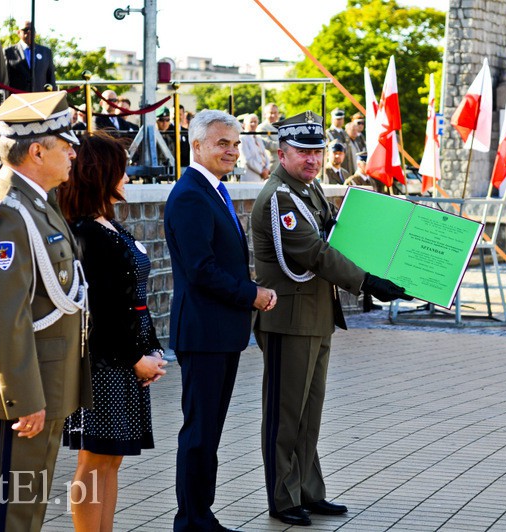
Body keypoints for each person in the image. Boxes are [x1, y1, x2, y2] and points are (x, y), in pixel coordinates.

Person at [251, 111, 410, 526]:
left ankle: (308, 490)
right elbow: (315, 254)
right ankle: (283, 499)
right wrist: (368, 281)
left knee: (310, 413)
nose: (312, 159)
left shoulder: (309, 189)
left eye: (317, 151)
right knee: (285, 415)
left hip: (316, 316)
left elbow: (338, 234)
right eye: (303, 152)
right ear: (282, 153)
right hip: (288, 319)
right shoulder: (280, 197)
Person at [0, 91, 92, 531]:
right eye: (65, 143)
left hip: (43, 382)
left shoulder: (34, 202)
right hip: (19, 390)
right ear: (36, 150)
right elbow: (3, 313)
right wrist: (25, 399)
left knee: (26, 507)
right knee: (7, 512)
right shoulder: (8, 210)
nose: (73, 152)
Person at [164, 109, 277, 532]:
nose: (232, 151)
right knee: (199, 433)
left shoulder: (212, 189)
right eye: (222, 143)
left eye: (235, 143)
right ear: (197, 146)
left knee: (208, 432)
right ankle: (191, 519)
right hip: (205, 332)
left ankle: (200, 514)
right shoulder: (192, 193)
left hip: (220, 332)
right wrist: (253, 293)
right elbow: (201, 269)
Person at [57, 132, 168, 531]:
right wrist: (136, 357)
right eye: (120, 167)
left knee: (112, 458)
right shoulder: (85, 231)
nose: (127, 174)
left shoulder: (108, 225)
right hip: (104, 362)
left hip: (127, 357)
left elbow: (134, 298)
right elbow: (100, 312)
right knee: (94, 458)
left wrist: (152, 349)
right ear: (101, 173)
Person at [4, 21, 56, 92]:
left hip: (41, 98)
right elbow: (4, 78)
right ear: (18, 32)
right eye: (25, 30)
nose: (29, 32)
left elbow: (51, 78)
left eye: (32, 29)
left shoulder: (46, 52)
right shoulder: (8, 52)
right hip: (18, 98)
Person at [238, 113, 270, 182]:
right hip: (250, 176)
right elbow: (247, 159)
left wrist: (267, 169)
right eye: (251, 122)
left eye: (255, 122)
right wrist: (261, 171)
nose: (253, 124)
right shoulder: (242, 139)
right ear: (244, 124)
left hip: (262, 178)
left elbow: (265, 155)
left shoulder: (258, 138)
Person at [257, 102, 280, 170]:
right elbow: (268, 144)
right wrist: (286, 144)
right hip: (271, 165)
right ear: (265, 114)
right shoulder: (262, 128)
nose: (273, 115)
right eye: (271, 113)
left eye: (275, 113)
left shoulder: (280, 126)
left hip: (283, 164)